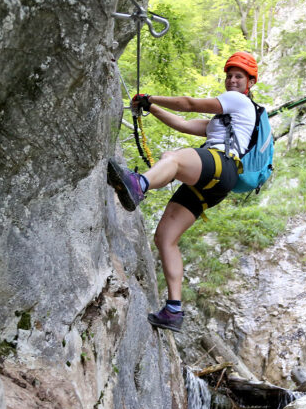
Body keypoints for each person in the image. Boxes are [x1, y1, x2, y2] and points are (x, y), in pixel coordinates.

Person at [107, 51, 260, 333]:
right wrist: (149, 108)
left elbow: (189, 105)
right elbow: (183, 123)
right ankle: (173, 310)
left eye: (238, 76)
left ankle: (138, 185)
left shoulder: (238, 101)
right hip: (217, 184)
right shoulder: (225, 121)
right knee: (165, 237)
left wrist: (152, 97)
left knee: (174, 158)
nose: (232, 80)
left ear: (250, 82)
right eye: (229, 75)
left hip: (221, 165)